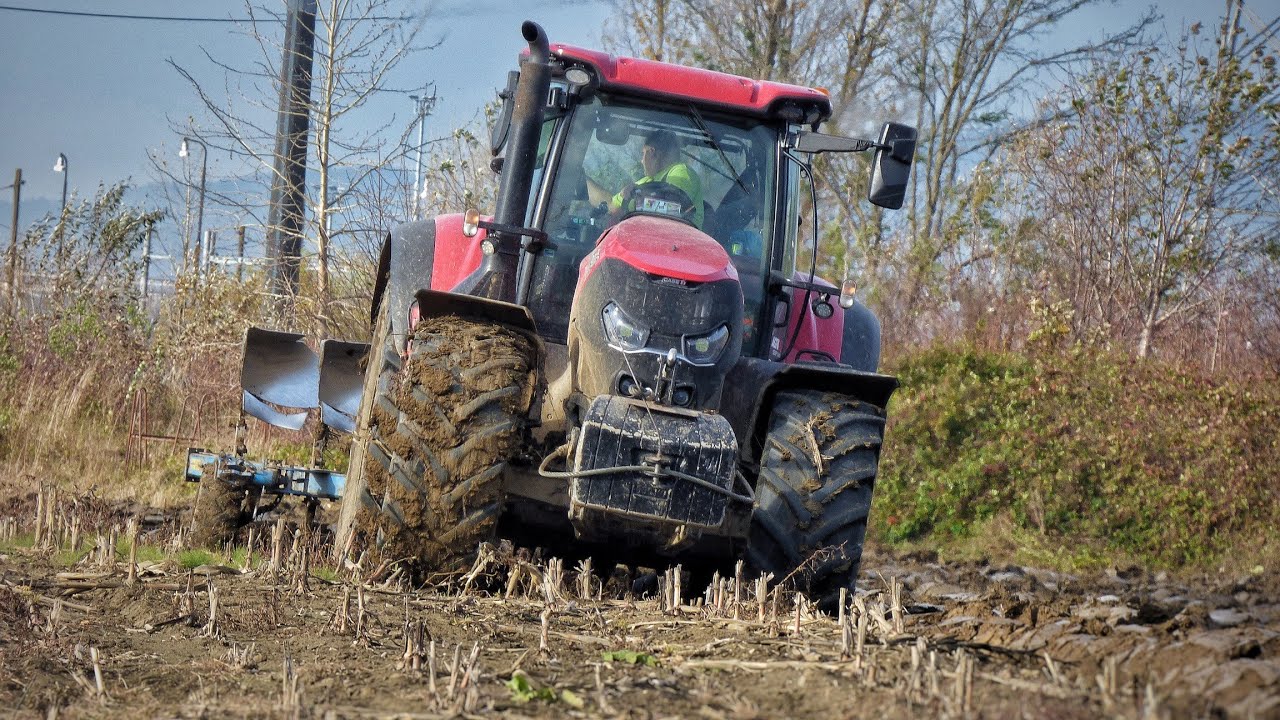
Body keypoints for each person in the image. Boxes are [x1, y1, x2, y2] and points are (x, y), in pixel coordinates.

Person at [608, 129, 704, 228]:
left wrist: (635, 197)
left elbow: (671, 208)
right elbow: (612, 207)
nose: (641, 161)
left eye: (643, 153)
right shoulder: (647, 181)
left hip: (677, 241)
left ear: (652, 152)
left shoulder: (681, 171)